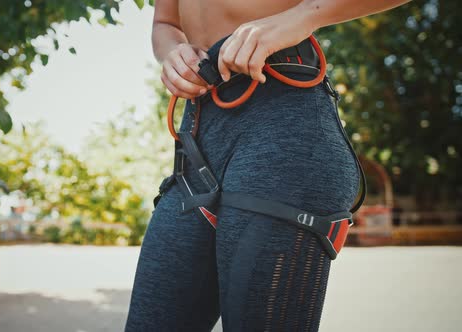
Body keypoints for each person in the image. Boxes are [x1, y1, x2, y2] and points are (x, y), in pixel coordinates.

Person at [126, 0, 410, 331]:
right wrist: (172, 53)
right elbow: (165, 21)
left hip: (283, 124)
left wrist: (302, 17)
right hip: (199, 139)